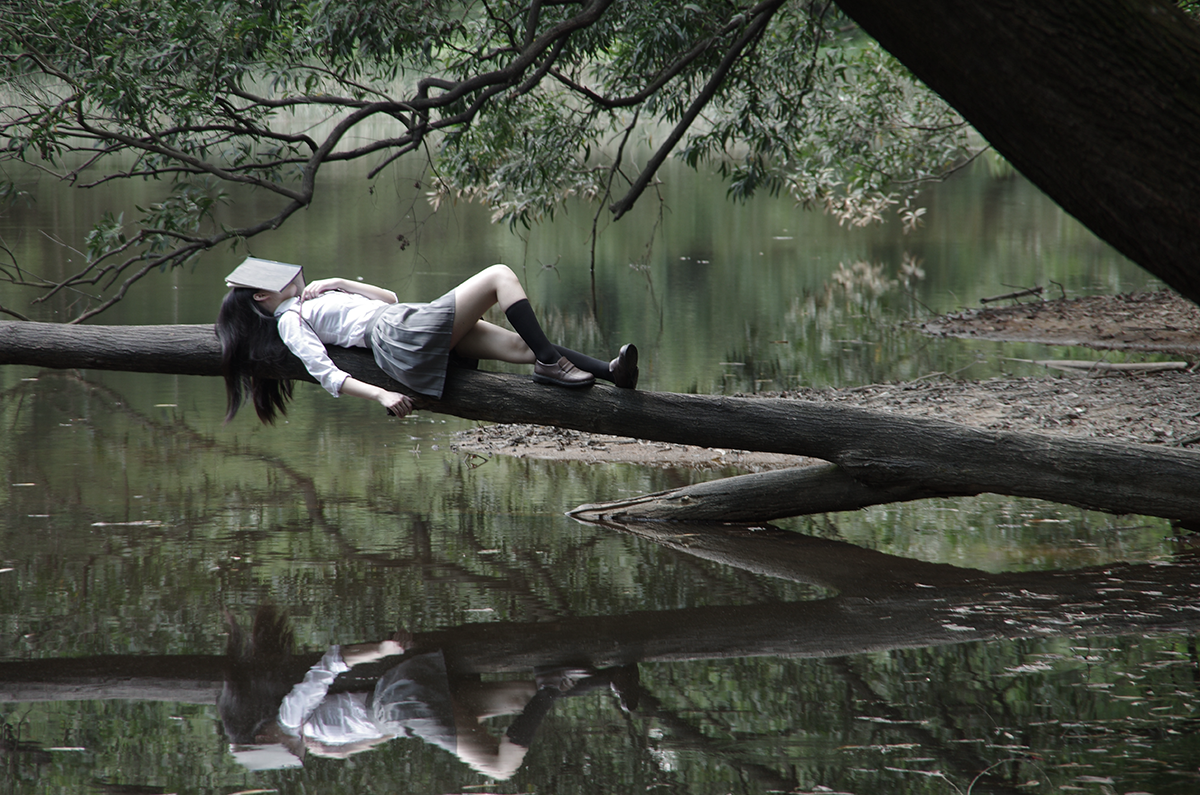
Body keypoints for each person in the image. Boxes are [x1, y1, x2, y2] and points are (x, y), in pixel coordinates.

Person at [219, 606, 637, 778]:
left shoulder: (291, 718)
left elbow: (330, 665)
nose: (294, 753)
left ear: (262, 736)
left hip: (402, 704)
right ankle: (609, 678)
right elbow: (373, 730)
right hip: (401, 711)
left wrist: (382, 649)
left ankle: (550, 686)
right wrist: (345, 750)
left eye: (280, 750)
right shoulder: (309, 734)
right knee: (517, 698)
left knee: (499, 766)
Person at [215, 258, 639, 424]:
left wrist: (340, 282)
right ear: (261, 296)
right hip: (398, 334)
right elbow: (327, 374)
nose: (292, 276)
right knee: (498, 276)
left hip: (401, 318)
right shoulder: (290, 321)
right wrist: (381, 395)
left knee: (521, 348)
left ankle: (609, 372)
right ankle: (551, 367)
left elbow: (389, 298)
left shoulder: (311, 299)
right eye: (279, 279)